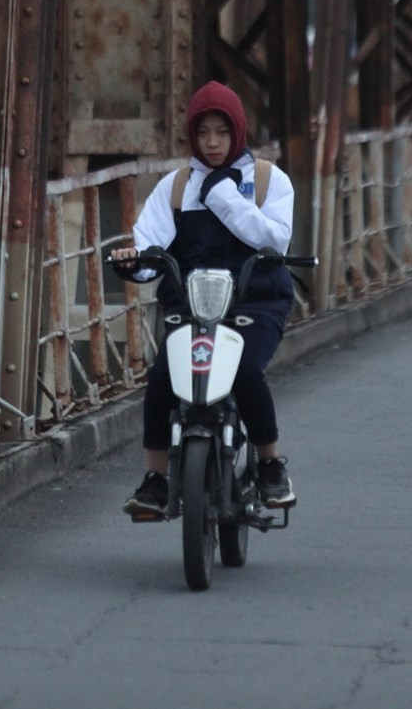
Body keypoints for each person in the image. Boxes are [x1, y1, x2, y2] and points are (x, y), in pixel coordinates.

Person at [110, 80, 297, 517]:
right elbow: (149, 248)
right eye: (203, 132)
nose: (213, 143)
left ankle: (271, 465)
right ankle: (156, 478)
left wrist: (221, 193)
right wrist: (132, 262)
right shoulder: (175, 187)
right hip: (191, 306)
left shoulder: (268, 181)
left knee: (245, 370)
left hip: (256, 301)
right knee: (162, 378)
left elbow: (274, 241)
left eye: (223, 132)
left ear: (238, 132)